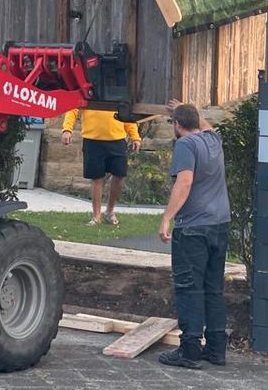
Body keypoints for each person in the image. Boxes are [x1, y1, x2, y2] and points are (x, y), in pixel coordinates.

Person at [158, 101, 231, 370]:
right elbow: (204, 124)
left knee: (189, 288)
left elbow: (184, 181)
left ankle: (189, 350)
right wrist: (185, 110)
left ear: (177, 125)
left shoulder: (185, 146)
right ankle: (215, 350)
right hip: (220, 224)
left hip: (194, 228)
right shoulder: (213, 139)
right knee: (213, 288)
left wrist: (167, 217)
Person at [62, 108, 141, 226]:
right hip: (92, 139)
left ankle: (109, 211)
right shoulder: (87, 90)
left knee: (119, 175)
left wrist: (135, 136)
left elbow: (127, 114)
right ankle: (96, 216)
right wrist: (67, 129)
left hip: (117, 139)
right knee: (97, 178)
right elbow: (73, 109)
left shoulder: (119, 91)